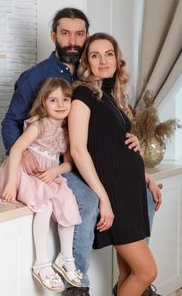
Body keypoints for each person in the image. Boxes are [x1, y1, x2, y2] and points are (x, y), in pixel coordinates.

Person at [1, 7, 161, 296]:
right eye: (65, 33)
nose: (73, 40)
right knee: (88, 202)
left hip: (106, 173)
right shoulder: (55, 83)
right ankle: (78, 284)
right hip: (62, 163)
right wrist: (21, 158)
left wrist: (143, 170)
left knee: (147, 205)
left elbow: (111, 138)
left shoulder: (105, 89)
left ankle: (135, 281)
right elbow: (15, 122)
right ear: (54, 36)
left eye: (79, 34)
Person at [68, 32, 158, 296]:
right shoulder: (83, 94)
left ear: (118, 60)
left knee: (129, 273)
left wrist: (147, 177)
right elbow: (78, 149)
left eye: (109, 54)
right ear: (87, 61)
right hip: (115, 194)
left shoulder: (111, 97)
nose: (103, 60)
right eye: (95, 55)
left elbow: (117, 146)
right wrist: (103, 198)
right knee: (146, 272)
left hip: (131, 193)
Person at [0, 77, 83, 293]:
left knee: (69, 202)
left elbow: (69, 164)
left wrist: (55, 170)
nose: (60, 105)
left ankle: (65, 257)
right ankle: (41, 263)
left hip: (47, 175)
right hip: (24, 173)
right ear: (44, 103)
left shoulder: (67, 132)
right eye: (53, 100)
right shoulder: (39, 125)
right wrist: (11, 184)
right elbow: (16, 150)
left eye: (65, 99)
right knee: (45, 206)